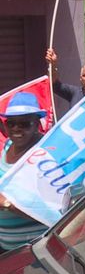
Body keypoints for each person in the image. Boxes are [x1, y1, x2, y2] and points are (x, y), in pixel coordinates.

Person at [0, 93, 48, 252]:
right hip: (5, 245)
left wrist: (7, 205)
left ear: (36, 124)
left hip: (32, 250)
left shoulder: (45, 153)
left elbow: (52, 212)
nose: (16, 129)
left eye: (24, 124)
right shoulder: (8, 145)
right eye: (11, 123)